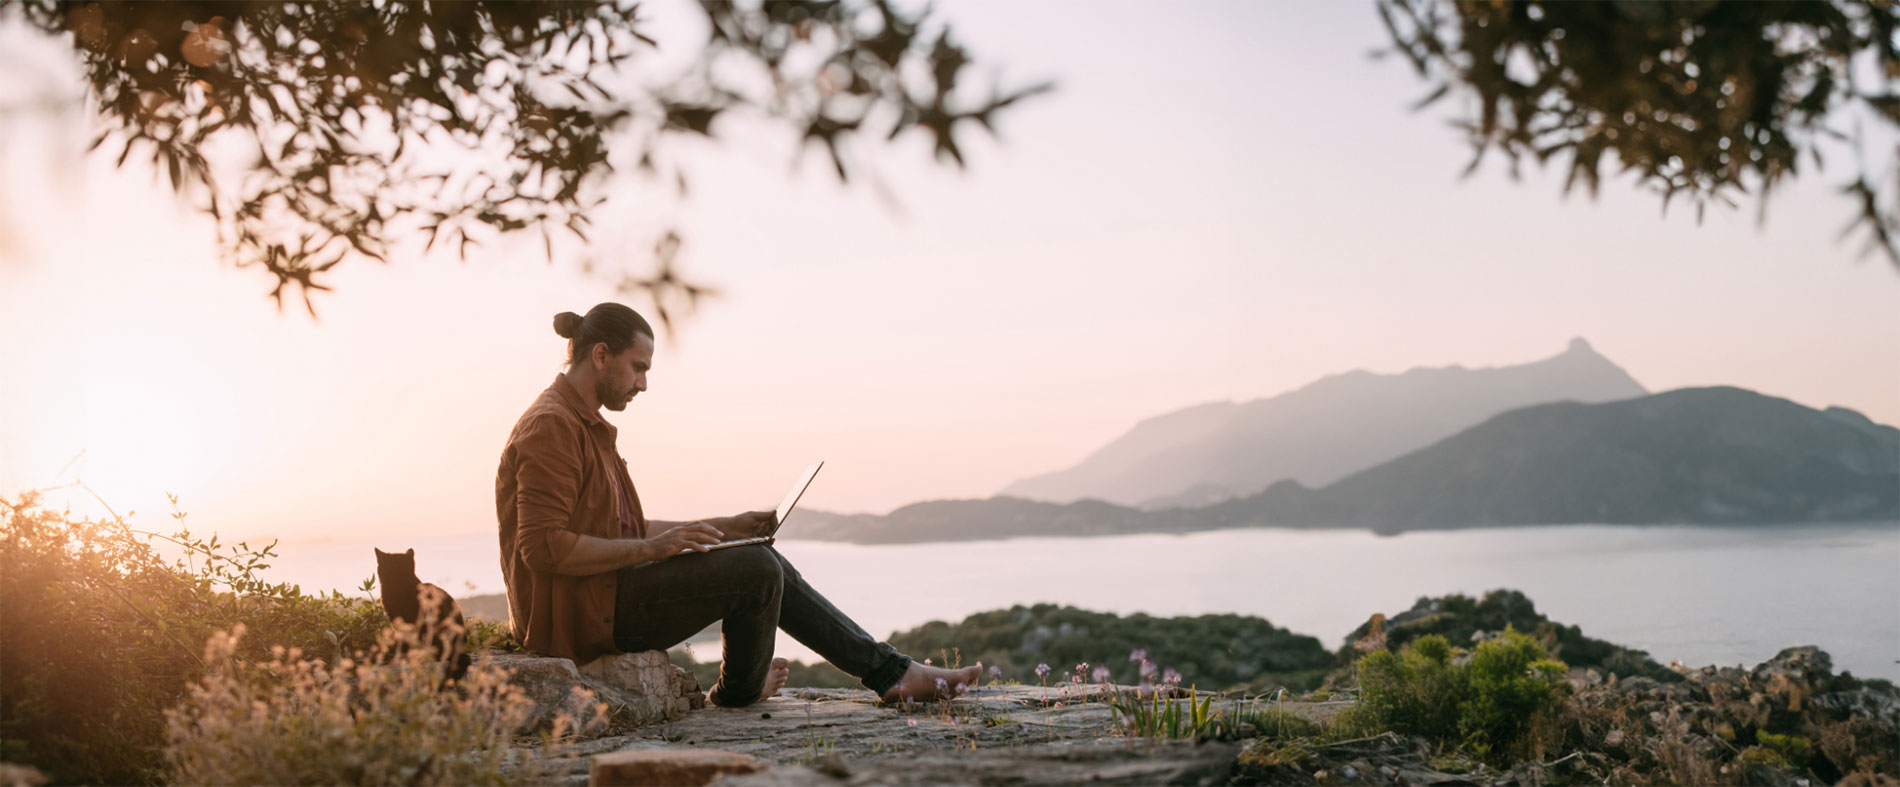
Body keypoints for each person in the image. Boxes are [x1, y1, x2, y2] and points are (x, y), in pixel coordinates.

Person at [496, 302, 978, 707]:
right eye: (638, 367)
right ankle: (741, 692)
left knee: (758, 555)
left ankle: (890, 672)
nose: (642, 384)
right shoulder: (552, 427)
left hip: (603, 596)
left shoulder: (584, 423)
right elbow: (543, 548)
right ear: (601, 355)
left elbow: (623, 527)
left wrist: (727, 526)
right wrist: (655, 550)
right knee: (755, 569)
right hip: (577, 619)